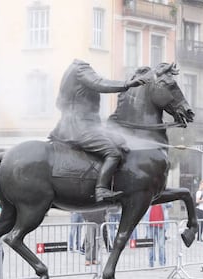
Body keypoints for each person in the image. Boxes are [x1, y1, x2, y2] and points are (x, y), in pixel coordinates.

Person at [49, 59, 146, 203]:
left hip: (84, 125)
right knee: (113, 153)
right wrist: (127, 84)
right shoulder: (80, 69)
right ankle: (101, 189)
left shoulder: (72, 73)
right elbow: (100, 83)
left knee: (120, 141)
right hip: (80, 128)